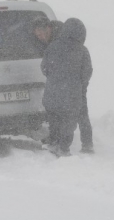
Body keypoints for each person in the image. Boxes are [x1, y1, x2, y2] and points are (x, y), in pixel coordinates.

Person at [32, 17, 95, 153]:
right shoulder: (82, 50)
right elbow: (87, 71)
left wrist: (55, 80)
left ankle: (55, 144)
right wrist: (79, 85)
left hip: (52, 94)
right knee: (71, 121)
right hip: (73, 93)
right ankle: (78, 146)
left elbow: (45, 68)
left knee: (55, 120)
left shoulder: (52, 46)